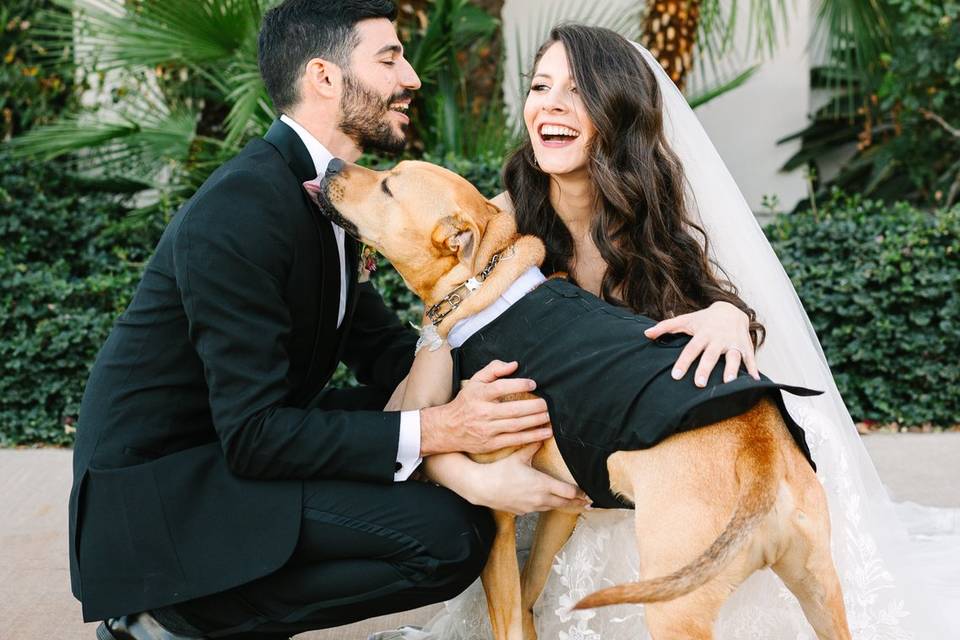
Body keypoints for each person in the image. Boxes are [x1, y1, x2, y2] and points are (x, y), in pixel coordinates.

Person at [69, 4, 751, 639]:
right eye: (391, 58)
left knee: (432, 434)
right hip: (166, 495)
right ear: (326, 77)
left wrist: (473, 406)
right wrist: (451, 449)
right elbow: (252, 434)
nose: (412, 77)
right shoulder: (243, 210)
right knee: (446, 538)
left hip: (232, 446)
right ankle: (172, 619)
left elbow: (384, 348)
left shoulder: (329, 195)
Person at [383, 24, 960, 639]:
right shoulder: (496, 227)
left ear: (619, 111)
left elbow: (718, 314)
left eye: (576, 92)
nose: (549, 103)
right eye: (539, 86)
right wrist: (439, 341)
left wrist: (730, 315)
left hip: (658, 462)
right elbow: (416, 415)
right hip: (558, 467)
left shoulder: (656, 218)